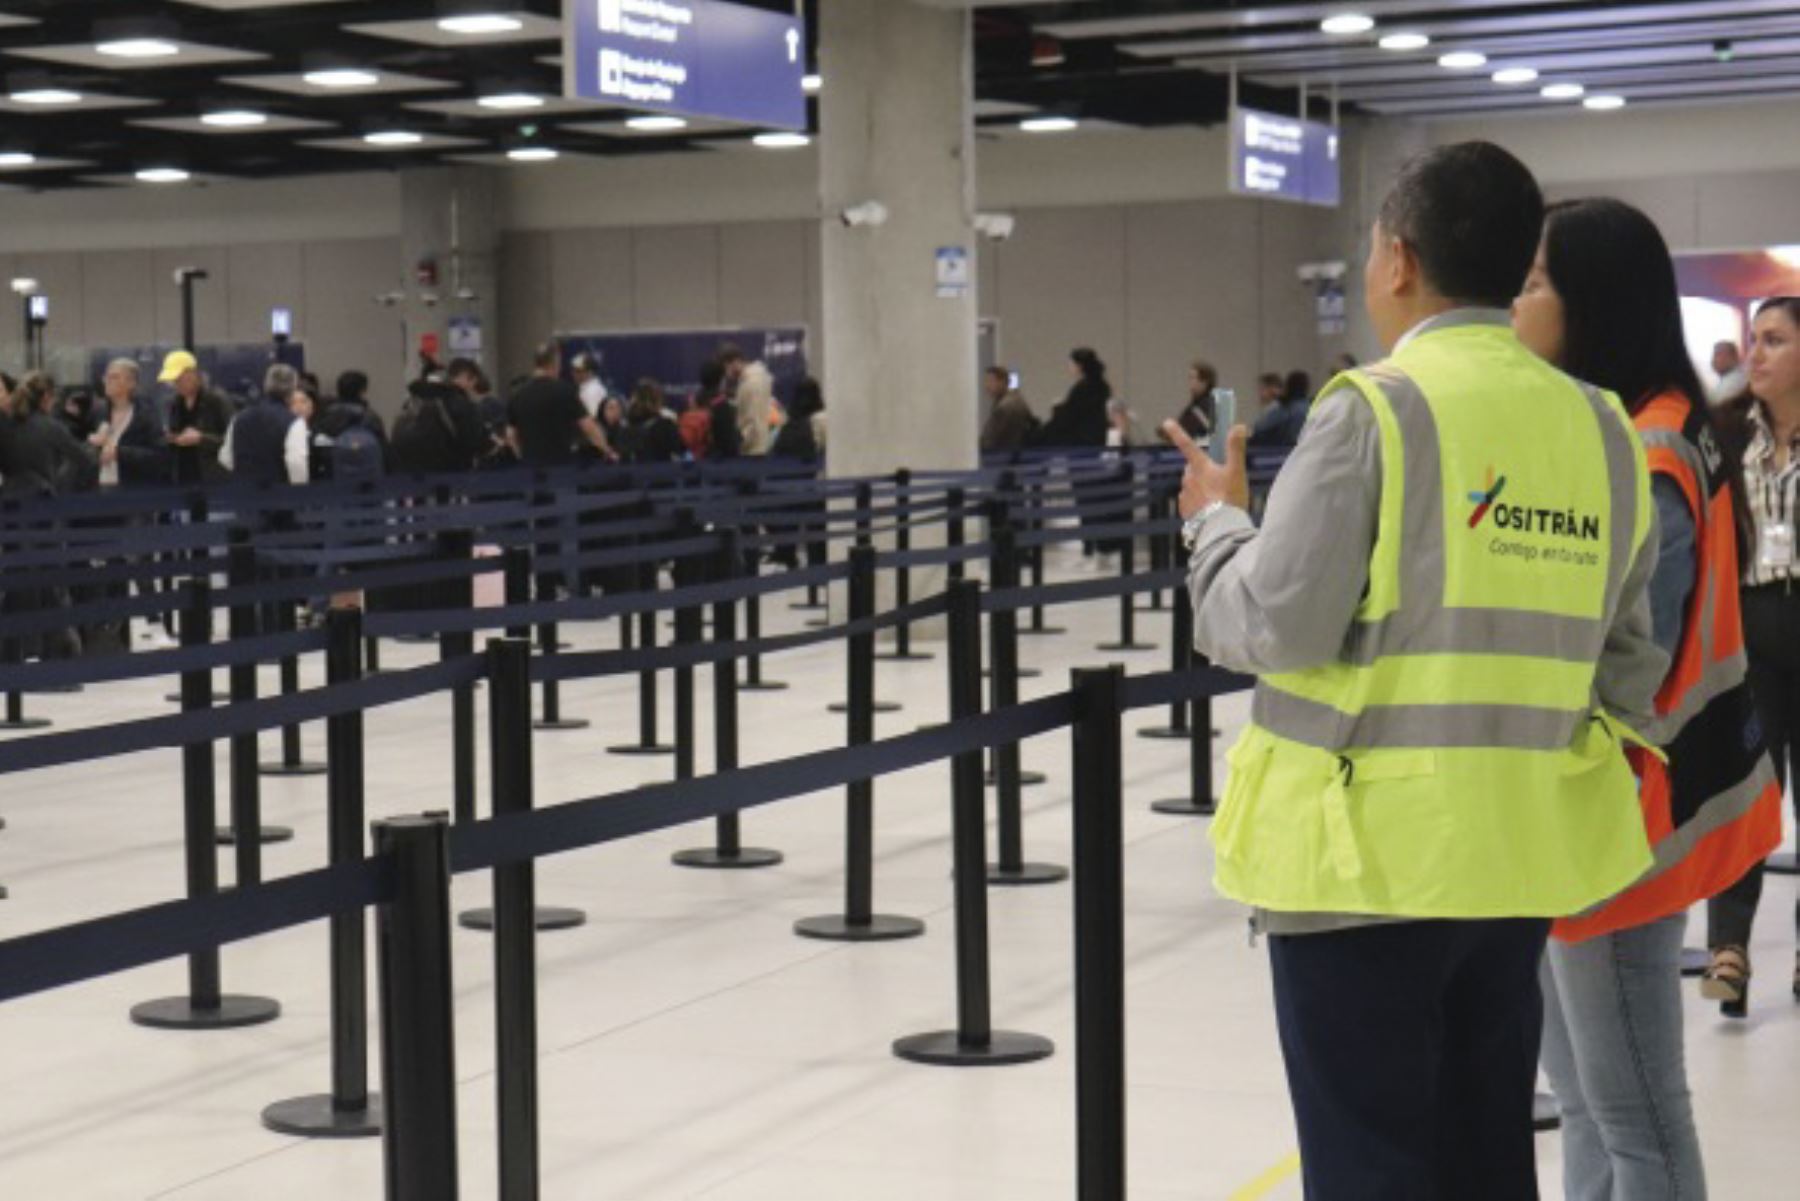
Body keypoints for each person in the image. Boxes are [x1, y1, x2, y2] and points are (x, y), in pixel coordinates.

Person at [1165, 141, 1665, 1201]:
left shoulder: (1377, 408)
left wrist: (1216, 525)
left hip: (1362, 867)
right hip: (1517, 855)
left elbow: (1272, 621)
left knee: (1369, 1163)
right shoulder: (1602, 427)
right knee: (1486, 1154)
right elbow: (1628, 668)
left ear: (1397, 258)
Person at [1513, 197, 1782, 1201]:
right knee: (1592, 1104)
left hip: (1621, 819)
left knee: (1635, 1115)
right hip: (1585, 815)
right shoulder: (1640, 426)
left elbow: (1632, 662)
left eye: (1534, 283)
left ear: (1593, 300)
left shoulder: (1650, 449)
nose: (1514, 302)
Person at [1707, 295, 1800, 1012]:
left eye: (1774, 340)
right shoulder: (1725, 429)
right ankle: (1729, 948)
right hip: (1750, 625)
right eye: (1754, 338)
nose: (1756, 353)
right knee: (1746, 788)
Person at [507, 342, 614, 467]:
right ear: (555, 362)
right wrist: (607, 450)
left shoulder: (517, 395)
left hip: (530, 467)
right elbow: (588, 426)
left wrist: (521, 456)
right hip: (561, 466)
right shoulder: (566, 392)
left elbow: (511, 434)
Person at [221, 362, 309, 486]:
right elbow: (296, 462)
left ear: (265, 385)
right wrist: (299, 491)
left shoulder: (238, 418)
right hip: (279, 493)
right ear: (293, 388)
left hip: (242, 492)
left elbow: (225, 458)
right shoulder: (294, 422)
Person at [90, 359, 169, 490]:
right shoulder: (99, 411)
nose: (107, 381)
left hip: (134, 489)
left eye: (114, 377)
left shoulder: (145, 414)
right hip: (100, 487)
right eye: (106, 377)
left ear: (131, 383)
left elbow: (159, 455)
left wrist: (119, 453)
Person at [158, 351, 228, 486]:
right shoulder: (175, 403)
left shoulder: (216, 401)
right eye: (173, 381)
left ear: (193, 374)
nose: (176, 385)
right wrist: (171, 438)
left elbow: (233, 440)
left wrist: (202, 439)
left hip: (213, 478)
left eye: (179, 379)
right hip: (183, 476)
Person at [1035, 348, 1111, 447]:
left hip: (1081, 437)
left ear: (1079, 366)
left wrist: (1058, 408)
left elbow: (1071, 416)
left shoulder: (1083, 388)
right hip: (1097, 434)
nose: (1069, 367)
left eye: (1071, 364)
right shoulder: (1102, 385)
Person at [618, 379, 684, 464]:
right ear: (657, 400)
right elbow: (680, 452)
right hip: (661, 471)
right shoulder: (666, 426)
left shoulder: (624, 428)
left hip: (634, 471)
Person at [1247, 370, 1312, 450]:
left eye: (1262, 389)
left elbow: (1258, 429)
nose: (1260, 393)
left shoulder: (1284, 408)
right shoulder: (1309, 406)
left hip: (1275, 452)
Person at [979, 367, 1037, 453]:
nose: (987, 386)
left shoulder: (1004, 407)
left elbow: (990, 440)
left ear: (1002, 382)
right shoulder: (1016, 400)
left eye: (991, 381)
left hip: (1003, 455)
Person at [736, 361, 778, 455]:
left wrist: (742, 443)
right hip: (763, 443)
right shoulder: (763, 377)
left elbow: (752, 418)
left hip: (752, 448)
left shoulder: (749, 383)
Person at [1175, 361, 1219, 440]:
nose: (1190, 383)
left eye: (1193, 378)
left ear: (1204, 382)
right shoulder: (1194, 405)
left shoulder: (1208, 406)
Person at [1709, 340, 1747, 405]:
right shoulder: (1732, 377)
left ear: (1733, 358)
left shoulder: (1733, 382)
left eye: (1717, 354)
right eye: (1714, 355)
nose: (1713, 360)